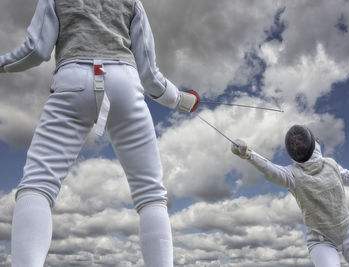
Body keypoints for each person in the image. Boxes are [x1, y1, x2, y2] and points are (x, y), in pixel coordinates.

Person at [0, 0, 200, 266]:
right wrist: (181, 101)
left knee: (38, 185)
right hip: (125, 84)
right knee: (151, 194)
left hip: (72, 81)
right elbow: (150, 75)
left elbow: (35, 51)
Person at [231, 125, 349, 267]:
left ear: (310, 143)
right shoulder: (293, 175)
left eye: (300, 141)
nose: (297, 143)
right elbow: (271, 169)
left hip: (348, 230)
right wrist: (249, 155)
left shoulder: (331, 165)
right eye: (294, 143)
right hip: (320, 240)